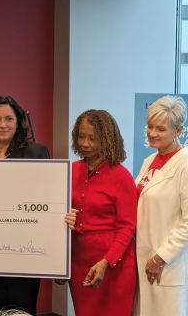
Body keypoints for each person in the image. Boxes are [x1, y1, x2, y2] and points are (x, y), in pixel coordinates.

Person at [0, 96, 49, 314]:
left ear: (18, 122)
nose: (2, 124)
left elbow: (47, 198)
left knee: (21, 309)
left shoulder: (36, 153)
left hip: (25, 248)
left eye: (8, 118)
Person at [63, 109, 137, 316]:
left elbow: (127, 227)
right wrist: (60, 263)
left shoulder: (122, 177)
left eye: (93, 138)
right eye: (81, 136)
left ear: (106, 139)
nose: (85, 143)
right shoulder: (70, 171)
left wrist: (106, 262)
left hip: (114, 265)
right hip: (78, 261)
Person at [134, 95, 188, 315]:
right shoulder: (149, 161)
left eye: (161, 129)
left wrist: (160, 257)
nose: (152, 133)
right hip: (143, 260)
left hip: (167, 264)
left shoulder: (185, 164)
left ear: (178, 131)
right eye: (150, 126)